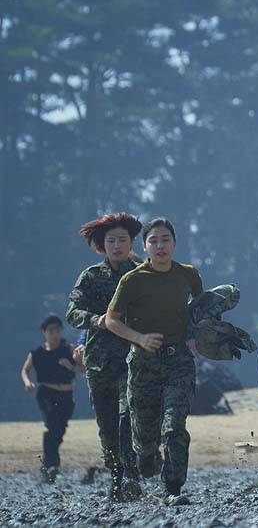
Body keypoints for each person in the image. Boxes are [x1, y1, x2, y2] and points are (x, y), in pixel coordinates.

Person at [105, 218, 203, 505]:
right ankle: (147, 457)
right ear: (145, 246)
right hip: (143, 365)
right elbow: (111, 320)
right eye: (154, 241)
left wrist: (197, 336)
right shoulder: (133, 280)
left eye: (165, 239)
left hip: (179, 363)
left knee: (174, 427)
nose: (160, 246)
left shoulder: (189, 275)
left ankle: (173, 488)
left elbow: (200, 312)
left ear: (174, 242)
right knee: (145, 443)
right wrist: (139, 338)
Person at [66, 212, 144, 500]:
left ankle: (132, 478)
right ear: (102, 245)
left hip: (133, 358)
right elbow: (73, 313)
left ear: (131, 243)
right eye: (111, 240)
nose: (117, 245)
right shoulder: (90, 276)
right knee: (107, 426)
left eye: (123, 240)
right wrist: (96, 321)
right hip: (99, 362)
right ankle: (116, 477)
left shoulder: (141, 273)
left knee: (128, 418)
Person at [21, 315, 83, 482]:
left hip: (66, 394)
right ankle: (51, 464)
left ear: (61, 331)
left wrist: (70, 366)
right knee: (53, 424)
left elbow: (84, 370)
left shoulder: (69, 349)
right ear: (44, 332)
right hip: (46, 393)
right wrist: (27, 383)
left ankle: (48, 465)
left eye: (57, 330)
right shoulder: (37, 353)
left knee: (58, 429)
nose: (55, 334)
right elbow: (25, 370)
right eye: (51, 331)